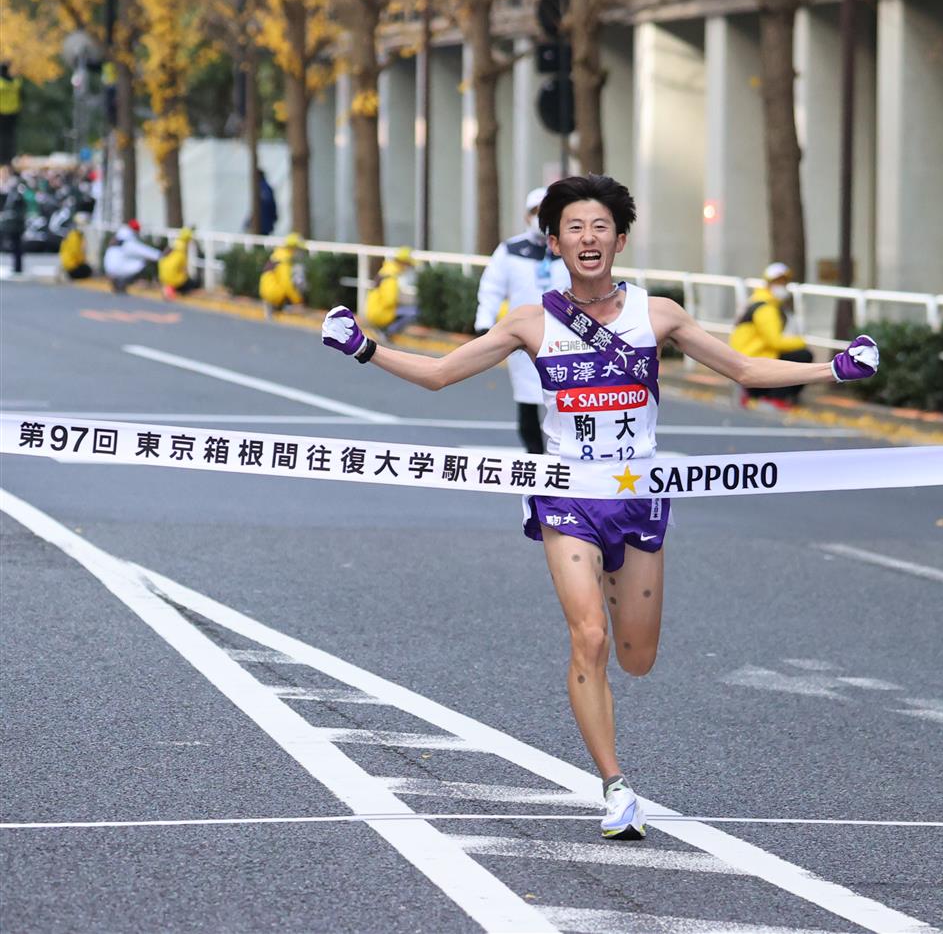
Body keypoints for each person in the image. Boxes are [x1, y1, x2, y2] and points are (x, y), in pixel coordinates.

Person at [320, 174, 880, 840]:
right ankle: (615, 787)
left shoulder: (659, 315)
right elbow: (443, 374)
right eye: (574, 228)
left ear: (619, 237)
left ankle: (617, 719)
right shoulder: (531, 321)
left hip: (637, 496)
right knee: (589, 637)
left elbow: (746, 371)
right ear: (553, 240)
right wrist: (365, 349)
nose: (589, 239)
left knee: (636, 657)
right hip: (566, 496)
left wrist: (833, 370)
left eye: (601, 227)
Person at [474, 186, 571, 454]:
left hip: (566, 337)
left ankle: (565, 454)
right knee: (527, 398)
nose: (541, 217)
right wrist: (485, 322)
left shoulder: (570, 249)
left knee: (566, 399)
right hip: (523, 337)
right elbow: (492, 287)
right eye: (535, 212)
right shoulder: (510, 250)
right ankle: (535, 456)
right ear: (526, 215)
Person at [729, 262, 813, 409]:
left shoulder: (756, 302)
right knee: (802, 356)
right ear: (768, 283)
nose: (782, 286)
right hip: (756, 357)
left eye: (784, 282)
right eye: (778, 282)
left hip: (748, 356)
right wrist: (802, 341)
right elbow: (775, 342)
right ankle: (776, 398)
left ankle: (760, 394)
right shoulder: (766, 308)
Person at [366, 246, 419, 336]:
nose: (408, 269)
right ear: (403, 263)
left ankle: (383, 330)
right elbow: (389, 301)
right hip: (380, 312)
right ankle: (386, 332)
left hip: (373, 309)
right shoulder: (391, 277)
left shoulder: (386, 270)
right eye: (408, 265)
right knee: (415, 311)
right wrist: (402, 301)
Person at [102, 219, 160, 293]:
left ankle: (118, 282)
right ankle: (137, 281)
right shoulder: (129, 241)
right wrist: (159, 255)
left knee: (133, 261)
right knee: (143, 262)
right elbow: (145, 252)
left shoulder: (118, 237)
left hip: (108, 267)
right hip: (119, 268)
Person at [259, 231, 304, 315]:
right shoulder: (284, 260)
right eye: (298, 249)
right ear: (292, 248)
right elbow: (286, 283)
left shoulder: (277, 254)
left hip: (265, 292)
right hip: (275, 294)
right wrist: (297, 300)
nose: (299, 252)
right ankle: (286, 308)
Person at [158, 227, 200, 298]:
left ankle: (168, 289)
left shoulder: (173, 246)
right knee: (192, 283)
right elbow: (183, 268)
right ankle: (177, 291)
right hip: (175, 279)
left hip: (163, 276)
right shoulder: (182, 251)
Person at [57, 213, 92, 280]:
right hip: (72, 266)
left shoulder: (73, 235)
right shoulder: (75, 237)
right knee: (87, 270)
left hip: (69, 265)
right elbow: (75, 253)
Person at [0, 63, 20, 168]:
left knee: (2, 138)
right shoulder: (15, 83)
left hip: (2, 112)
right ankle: (9, 159)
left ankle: (3, 160)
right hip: (12, 112)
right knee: (10, 137)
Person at [256, 169, 277, 236]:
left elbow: (268, 204)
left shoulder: (263, 188)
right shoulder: (266, 188)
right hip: (265, 222)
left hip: (263, 222)